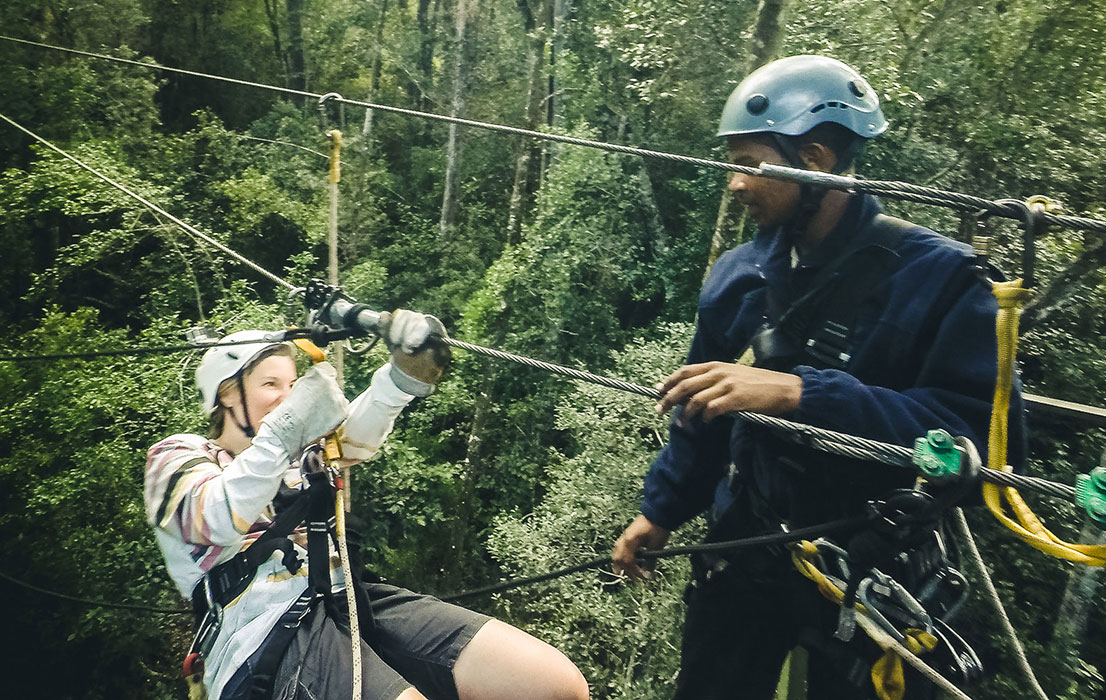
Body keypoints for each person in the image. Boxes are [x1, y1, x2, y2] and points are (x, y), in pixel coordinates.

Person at [611, 55, 1026, 699]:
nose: (734, 185)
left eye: (749, 164)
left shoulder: (941, 280)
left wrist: (803, 393)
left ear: (816, 158)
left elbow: (988, 448)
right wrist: (660, 511)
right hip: (752, 538)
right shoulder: (738, 276)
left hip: (875, 562)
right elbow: (704, 412)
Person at [145, 311, 590, 700]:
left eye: (293, 385)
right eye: (270, 385)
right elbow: (214, 516)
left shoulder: (296, 453)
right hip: (259, 633)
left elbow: (352, 435)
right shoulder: (178, 456)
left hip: (348, 600)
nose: (288, 396)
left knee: (553, 686)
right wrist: (286, 430)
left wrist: (402, 378)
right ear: (227, 394)